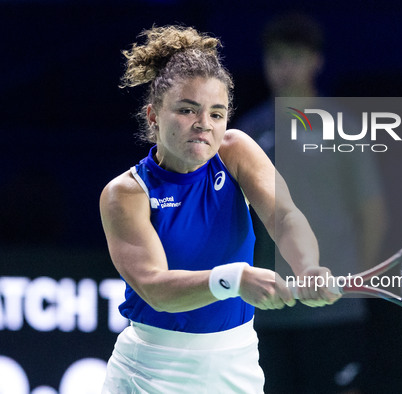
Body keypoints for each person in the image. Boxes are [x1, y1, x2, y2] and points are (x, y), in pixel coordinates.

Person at [99, 25, 339, 393]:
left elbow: (284, 215)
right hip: (151, 371)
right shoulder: (126, 193)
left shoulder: (235, 150)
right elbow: (154, 288)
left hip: (235, 363)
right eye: (186, 110)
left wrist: (307, 265)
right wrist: (235, 279)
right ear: (152, 116)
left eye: (216, 113)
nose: (203, 125)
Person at [234, 13, 388, 394]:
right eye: (275, 58)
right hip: (266, 314)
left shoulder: (344, 127)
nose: (284, 68)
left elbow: (373, 214)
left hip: (333, 312)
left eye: (294, 57)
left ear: (315, 60)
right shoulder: (247, 132)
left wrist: (357, 283)